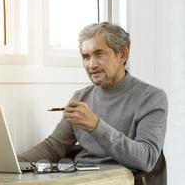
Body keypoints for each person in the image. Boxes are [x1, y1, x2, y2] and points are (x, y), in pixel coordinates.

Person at [18, 22, 168, 172]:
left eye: (99, 54)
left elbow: (146, 159)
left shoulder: (151, 98)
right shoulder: (80, 97)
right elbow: (54, 147)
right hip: (79, 178)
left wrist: (96, 126)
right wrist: (13, 164)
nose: (91, 64)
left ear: (122, 55)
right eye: (86, 57)